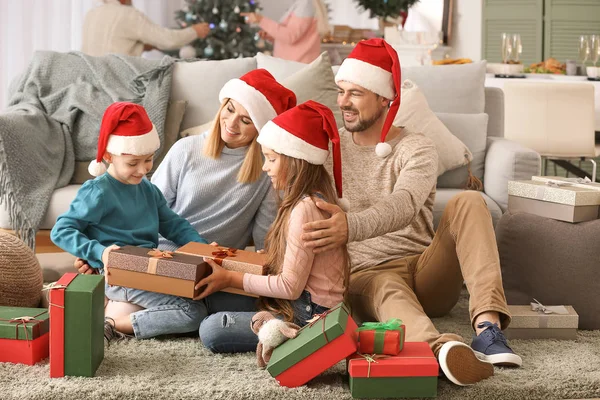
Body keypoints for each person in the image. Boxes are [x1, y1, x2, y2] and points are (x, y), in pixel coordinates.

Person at [300, 38, 523, 386]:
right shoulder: (328, 149)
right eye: (341, 91)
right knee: (385, 286)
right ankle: (443, 350)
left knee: (469, 201)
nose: (343, 102)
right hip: (368, 273)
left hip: (424, 270)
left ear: (384, 97)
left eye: (355, 93)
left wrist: (350, 226)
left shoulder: (417, 146)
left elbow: (404, 204)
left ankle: (488, 329)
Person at [73, 69, 297, 339]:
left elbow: (265, 240)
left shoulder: (265, 171)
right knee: (188, 313)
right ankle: (114, 318)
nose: (231, 124)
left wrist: (270, 273)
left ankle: (121, 311)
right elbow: (142, 212)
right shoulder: (186, 149)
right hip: (163, 260)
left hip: (213, 270)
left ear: (260, 128)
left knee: (247, 305)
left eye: (246, 120)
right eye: (229, 109)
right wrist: (104, 249)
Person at [194, 100, 349, 353]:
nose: (265, 167)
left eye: (271, 159)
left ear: (295, 161)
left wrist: (232, 277)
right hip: (301, 303)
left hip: (310, 315)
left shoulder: (305, 209)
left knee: (211, 330)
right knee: (216, 295)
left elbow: (289, 286)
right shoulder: (307, 201)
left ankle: (283, 330)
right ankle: (271, 319)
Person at [51, 101, 210, 342]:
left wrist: (203, 249)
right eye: (132, 163)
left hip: (149, 270)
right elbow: (61, 231)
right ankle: (110, 324)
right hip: (119, 274)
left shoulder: (148, 189)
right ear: (108, 155)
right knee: (193, 313)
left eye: (148, 160)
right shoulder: (98, 191)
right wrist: (100, 252)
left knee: (200, 296)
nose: (142, 170)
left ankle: (116, 314)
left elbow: (174, 225)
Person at [82, 0, 209, 57]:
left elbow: (109, 45)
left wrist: (141, 47)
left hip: (89, 86)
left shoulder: (92, 14)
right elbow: (167, 39)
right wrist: (194, 31)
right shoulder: (128, 14)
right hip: (116, 88)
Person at [241, 0, 330, 63]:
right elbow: (292, 34)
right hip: (293, 66)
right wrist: (271, 36)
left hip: (297, 67)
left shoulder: (306, 4)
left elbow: (290, 36)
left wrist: (261, 20)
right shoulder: (301, 4)